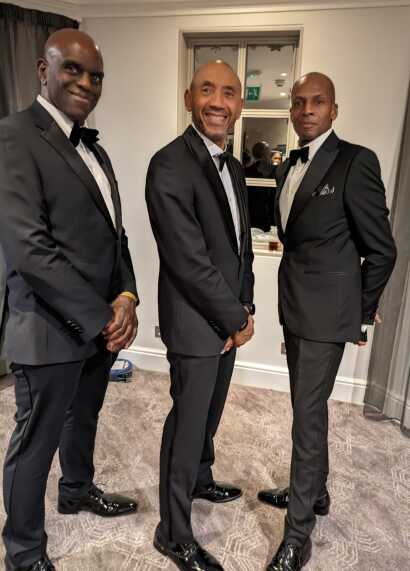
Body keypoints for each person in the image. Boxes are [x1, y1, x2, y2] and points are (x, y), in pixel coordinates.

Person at [0, 29, 139, 571]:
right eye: (73, 69)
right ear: (44, 70)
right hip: (47, 325)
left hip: (99, 326)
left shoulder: (94, 148)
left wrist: (126, 295)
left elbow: (114, 235)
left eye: (96, 75)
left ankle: (76, 490)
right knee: (34, 444)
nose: (86, 83)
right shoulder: (13, 136)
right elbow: (30, 250)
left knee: (84, 418)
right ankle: (24, 552)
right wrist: (102, 316)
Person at [258, 72, 396, 571]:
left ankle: (297, 536)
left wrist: (358, 313)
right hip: (294, 308)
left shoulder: (356, 161)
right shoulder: (286, 167)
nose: (306, 110)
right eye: (298, 102)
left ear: (334, 109)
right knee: (306, 410)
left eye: (317, 102)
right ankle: (314, 492)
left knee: (307, 418)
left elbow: (382, 251)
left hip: (327, 315)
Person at [146, 61, 255, 571]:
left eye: (228, 92)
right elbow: (188, 260)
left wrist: (245, 306)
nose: (218, 101)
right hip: (194, 323)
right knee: (187, 425)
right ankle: (172, 532)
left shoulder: (234, 168)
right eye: (207, 90)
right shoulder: (169, 164)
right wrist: (235, 318)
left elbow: (240, 249)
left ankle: (200, 478)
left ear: (239, 105)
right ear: (189, 98)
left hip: (228, 322)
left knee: (209, 416)